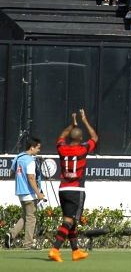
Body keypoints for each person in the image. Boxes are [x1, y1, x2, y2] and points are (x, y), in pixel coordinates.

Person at [48, 109, 98, 262]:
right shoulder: (83, 149)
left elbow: (62, 136)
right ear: (81, 138)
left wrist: (72, 124)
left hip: (63, 188)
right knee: (69, 221)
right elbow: (95, 137)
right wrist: (84, 120)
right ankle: (55, 249)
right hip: (76, 189)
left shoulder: (62, 148)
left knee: (70, 220)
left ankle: (76, 251)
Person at [7, 137, 44, 250]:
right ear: (32, 147)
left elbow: (12, 172)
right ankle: (28, 244)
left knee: (26, 216)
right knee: (31, 218)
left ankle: (11, 234)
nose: (39, 150)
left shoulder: (19, 157)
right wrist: (38, 193)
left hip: (20, 192)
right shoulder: (30, 160)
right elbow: (31, 178)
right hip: (29, 193)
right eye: (38, 148)